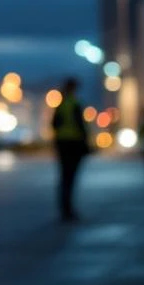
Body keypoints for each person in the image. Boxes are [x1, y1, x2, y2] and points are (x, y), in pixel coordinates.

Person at [51, 77, 90, 222]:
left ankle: (64, 208)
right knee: (71, 177)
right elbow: (81, 126)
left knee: (64, 177)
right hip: (74, 144)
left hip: (62, 144)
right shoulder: (74, 103)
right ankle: (68, 209)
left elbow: (54, 124)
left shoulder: (60, 104)